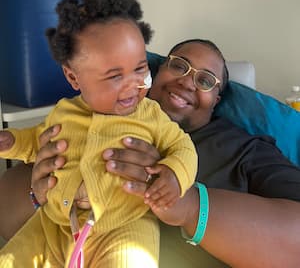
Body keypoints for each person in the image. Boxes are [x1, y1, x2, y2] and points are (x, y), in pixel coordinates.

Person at [0, 40, 300, 266]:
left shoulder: (245, 149)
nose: (186, 81)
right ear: (155, 74)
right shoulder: (96, 114)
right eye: (179, 65)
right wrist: (38, 198)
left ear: (217, 99)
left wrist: (188, 206)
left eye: (205, 80)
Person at [0, 0, 198, 267]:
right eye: (115, 75)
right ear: (73, 77)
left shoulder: (150, 114)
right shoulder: (64, 112)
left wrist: (174, 174)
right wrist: (11, 142)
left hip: (124, 227)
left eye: (140, 68)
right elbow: (37, 141)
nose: (134, 83)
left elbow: (184, 147)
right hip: (54, 224)